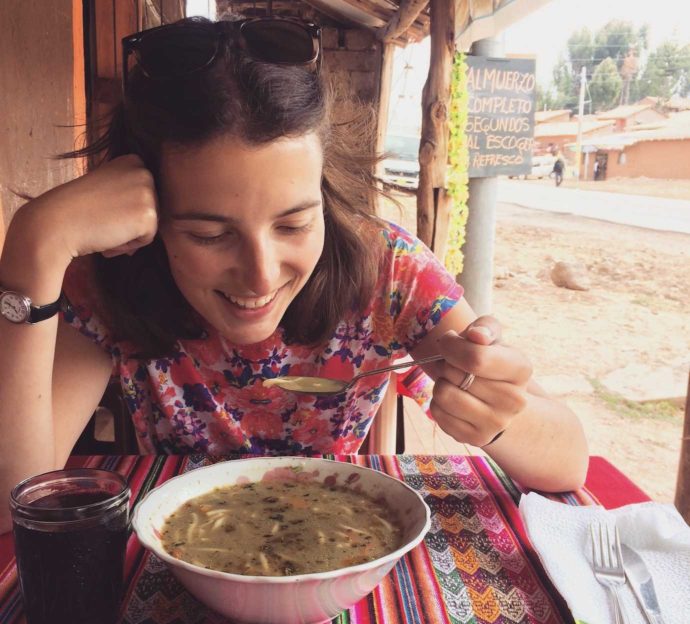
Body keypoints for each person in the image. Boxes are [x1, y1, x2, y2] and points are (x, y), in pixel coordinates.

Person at [0, 16, 588, 532]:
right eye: (209, 234)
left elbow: (569, 463)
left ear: (324, 194)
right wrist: (35, 248)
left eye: (293, 225)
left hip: (341, 547)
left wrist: (498, 417)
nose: (259, 275)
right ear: (148, 221)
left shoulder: (388, 269)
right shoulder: (110, 276)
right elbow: (11, 507)